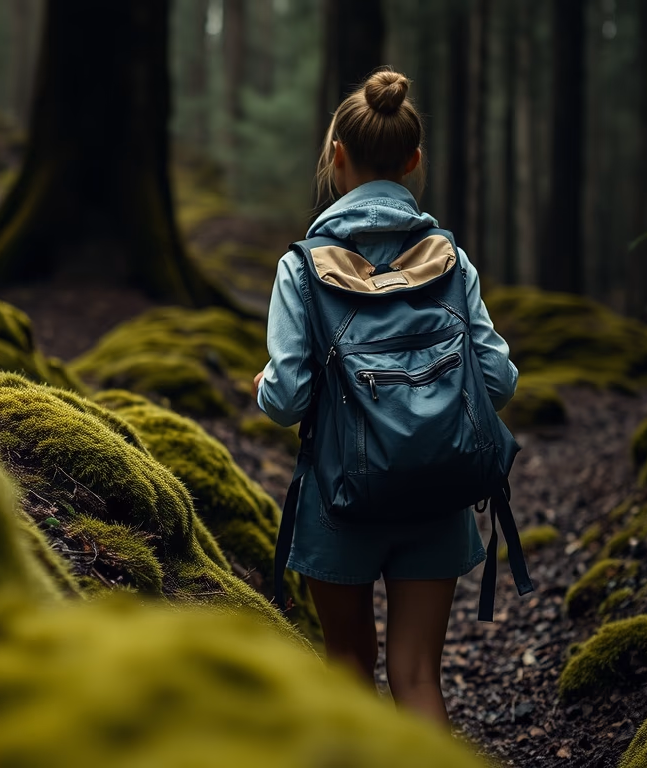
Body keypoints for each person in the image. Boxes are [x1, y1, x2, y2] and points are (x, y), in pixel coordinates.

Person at [252, 68, 518, 727]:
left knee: (346, 661)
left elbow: (286, 398)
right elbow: (500, 382)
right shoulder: (449, 261)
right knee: (418, 676)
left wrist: (266, 387)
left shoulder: (302, 266)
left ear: (336, 156)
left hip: (337, 503)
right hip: (437, 492)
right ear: (413, 161)